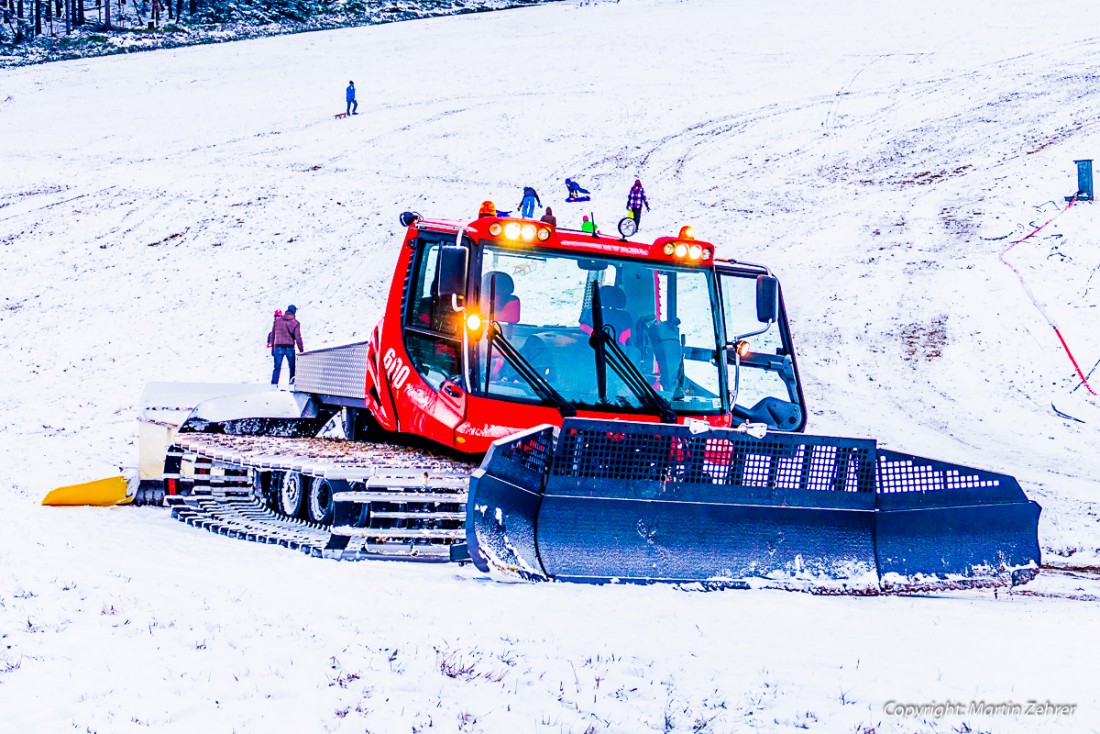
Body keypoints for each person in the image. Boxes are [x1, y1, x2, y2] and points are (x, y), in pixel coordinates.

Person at [270, 305, 304, 386]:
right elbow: (298, 337)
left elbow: (272, 335)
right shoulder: (295, 323)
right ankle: (292, 384)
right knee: (292, 367)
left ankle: (274, 385)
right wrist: (301, 350)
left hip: (278, 347)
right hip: (289, 347)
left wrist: (272, 348)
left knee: (277, 368)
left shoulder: (277, 321)